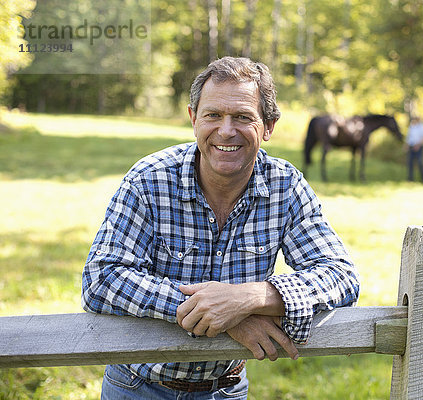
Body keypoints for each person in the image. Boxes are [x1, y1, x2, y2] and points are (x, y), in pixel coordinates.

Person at [81, 56, 360, 399]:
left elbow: (341, 277)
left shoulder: (285, 186)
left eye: (243, 117)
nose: (226, 130)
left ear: (268, 126)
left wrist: (252, 298)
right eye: (213, 115)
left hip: (225, 390)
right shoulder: (149, 180)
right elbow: (101, 279)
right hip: (139, 386)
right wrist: (222, 315)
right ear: (193, 119)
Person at [405, 116, 423, 183]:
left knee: (420, 162)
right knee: (410, 163)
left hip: (419, 147)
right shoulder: (412, 127)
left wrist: (418, 145)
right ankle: (410, 179)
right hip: (411, 146)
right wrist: (406, 145)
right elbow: (409, 137)